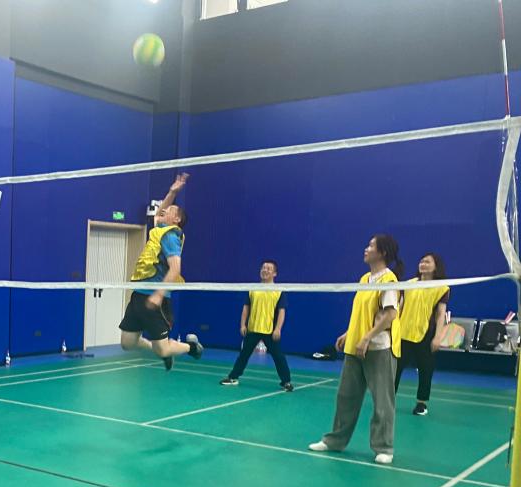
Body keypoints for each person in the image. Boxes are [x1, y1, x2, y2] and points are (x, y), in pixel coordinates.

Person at [310, 234, 403, 465]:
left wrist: (367, 338)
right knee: (346, 397)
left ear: (382, 252)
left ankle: (384, 447)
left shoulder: (389, 280)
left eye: (371, 245)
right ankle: (335, 441)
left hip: (379, 348)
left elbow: (390, 315)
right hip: (356, 346)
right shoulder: (364, 279)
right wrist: (349, 333)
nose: (366, 248)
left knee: (382, 401)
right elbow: (362, 313)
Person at [119, 173, 203, 369]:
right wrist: (172, 192)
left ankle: (191, 347)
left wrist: (158, 294)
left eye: (170, 210)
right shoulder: (159, 230)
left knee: (163, 349)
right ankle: (165, 353)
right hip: (139, 295)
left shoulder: (171, 237)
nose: (164, 210)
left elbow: (175, 268)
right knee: (127, 343)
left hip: (157, 297)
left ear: (177, 219)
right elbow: (158, 215)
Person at [220, 259, 293, 391]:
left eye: (269, 268)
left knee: (278, 357)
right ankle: (233, 377)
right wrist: (243, 325)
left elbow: (282, 312)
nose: (265, 270)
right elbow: (246, 308)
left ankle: (286, 382)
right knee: (244, 355)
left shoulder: (279, 291)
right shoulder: (253, 289)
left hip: (270, 330)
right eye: (263, 268)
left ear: (275, 274)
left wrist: (278, 329)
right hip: (253, 328)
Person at [395, 252, 449, 416]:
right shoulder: (409, 284)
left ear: (436, 267)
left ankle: (421, 403)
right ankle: (387, 399)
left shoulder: (442, 288)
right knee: (395, 369)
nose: (423, 264)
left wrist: (438, 337)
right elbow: (400, 307)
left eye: (427, 262)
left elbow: (440, 314)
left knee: (426, 370)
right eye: (421, 261)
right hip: (403, 333)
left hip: (425, 335)